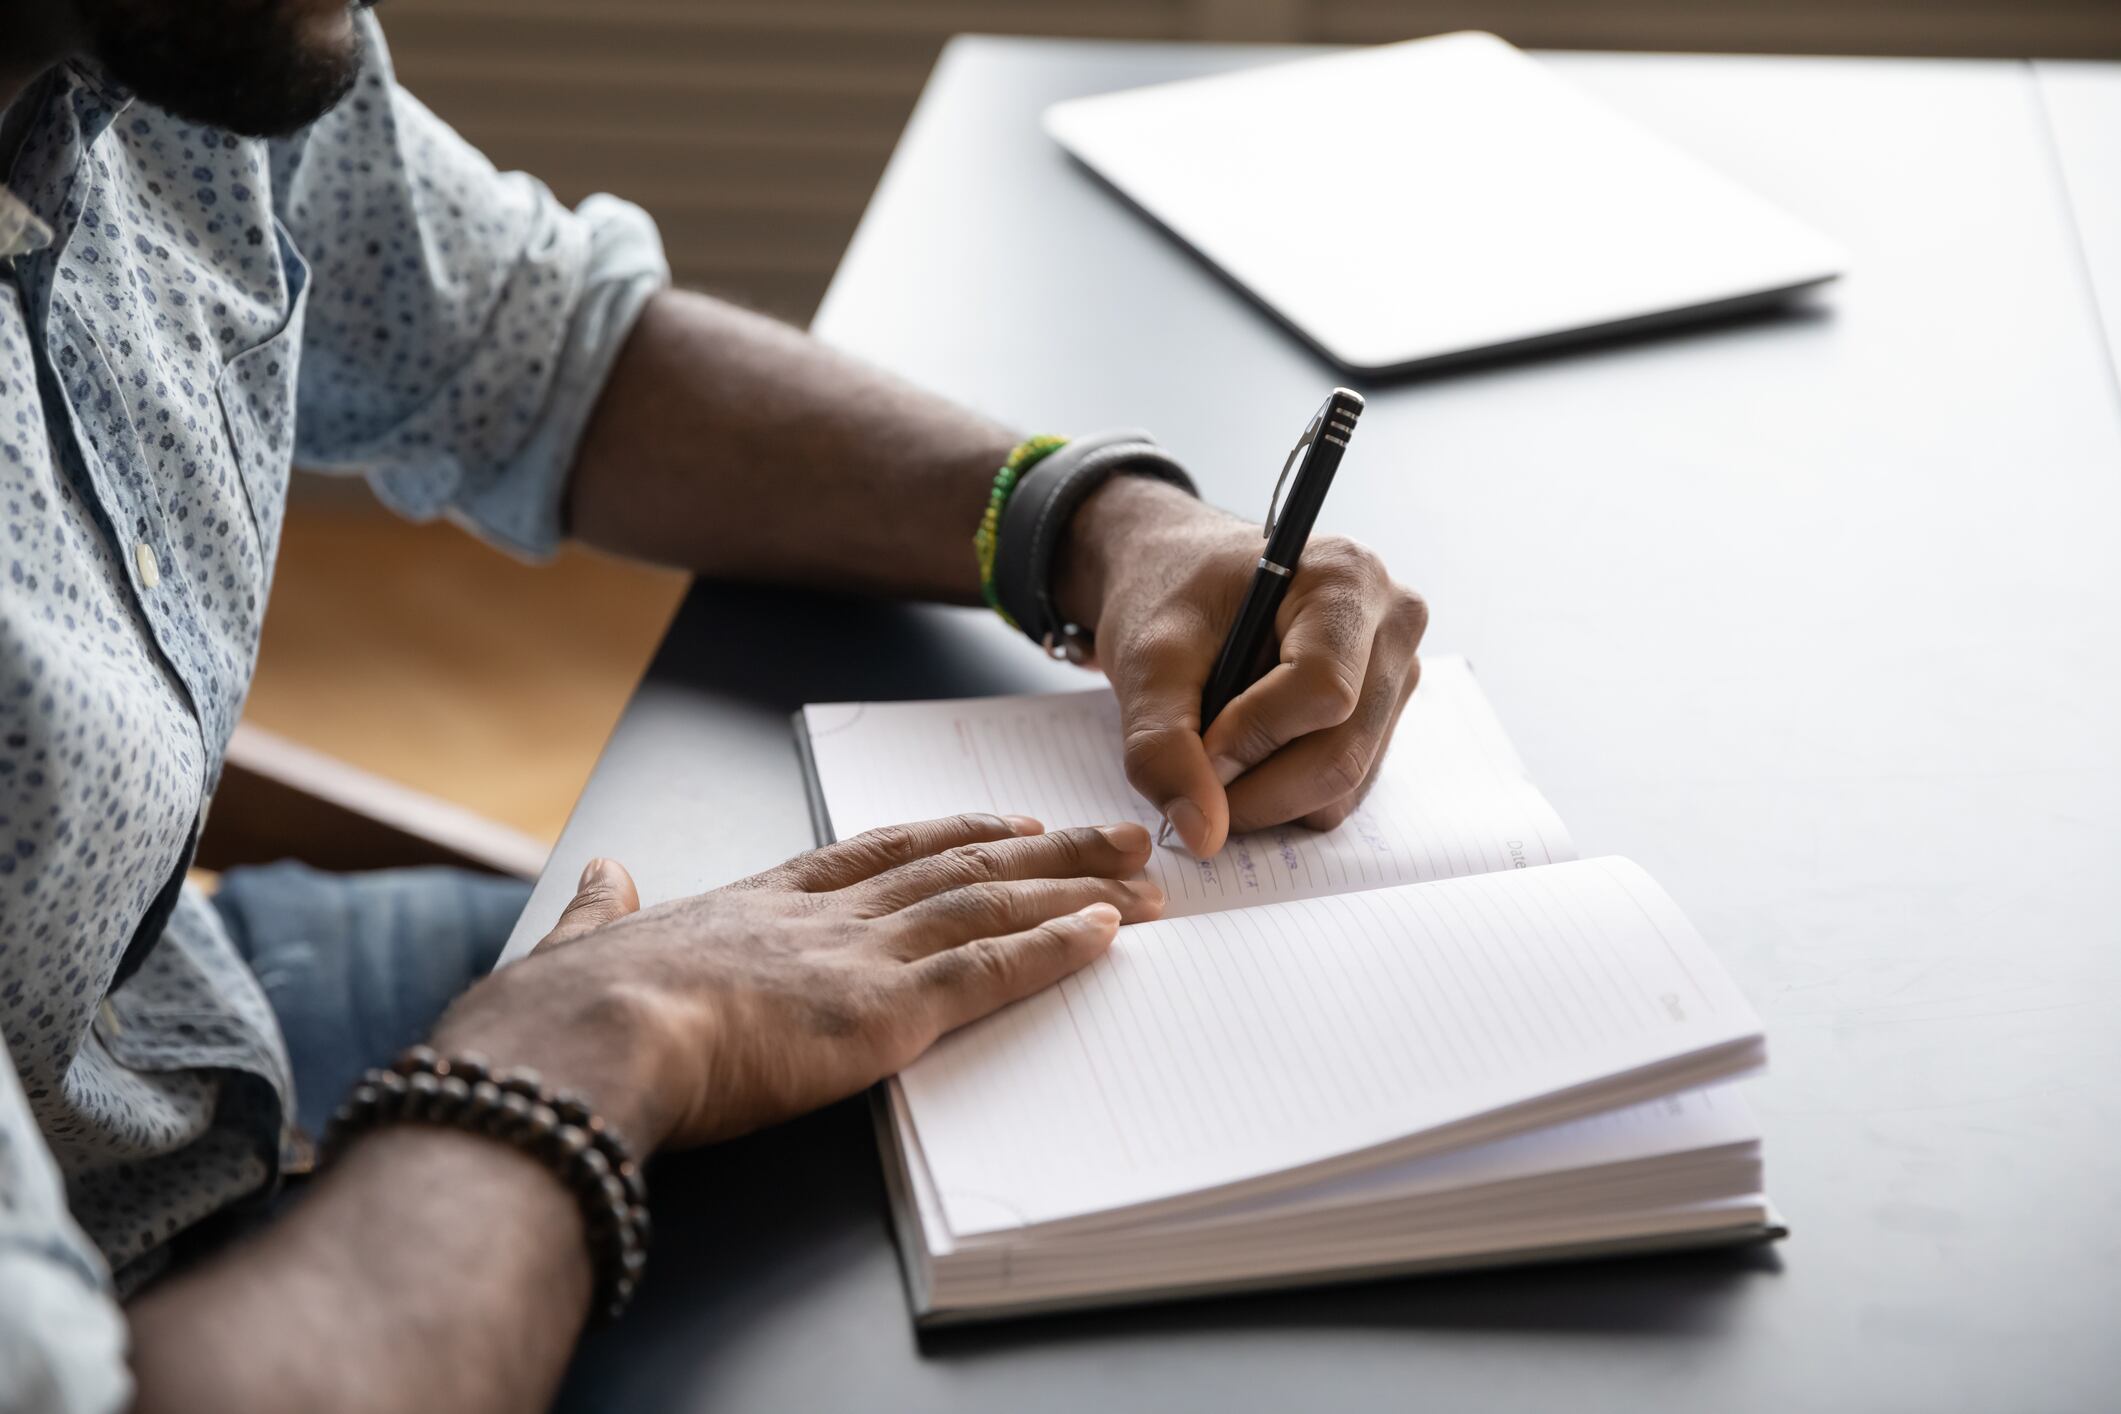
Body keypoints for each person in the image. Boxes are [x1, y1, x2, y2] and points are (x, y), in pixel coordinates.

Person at [0, 0, 1428, 1408]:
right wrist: (578, 1046)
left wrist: (1087, 522)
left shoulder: (165, 46)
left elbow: (539, 350)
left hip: (169, 1011)